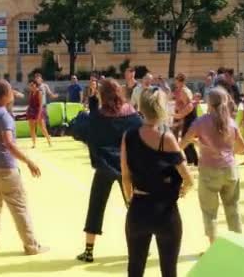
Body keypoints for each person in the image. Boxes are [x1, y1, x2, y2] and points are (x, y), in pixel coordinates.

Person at [0, 80, 48, 256]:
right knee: (19, 208)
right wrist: (28, 161)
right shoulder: (4, 116)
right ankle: (31, 246)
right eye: (11, 91)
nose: (13, 94)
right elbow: (9, 144)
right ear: (5, 95)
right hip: (6, 168)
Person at [121, 87, 193, 277]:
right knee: (169, 271)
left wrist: (131, 199)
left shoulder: (128, 136)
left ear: (141, 108)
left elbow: (126, 177)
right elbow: (188, 177)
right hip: (165, 212)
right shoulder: (166, 139)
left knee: (135, 269)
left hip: (138, 207)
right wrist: (184, 188)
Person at [75, 79, 142, 263]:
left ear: (102, 95)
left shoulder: (98, 116)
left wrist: (93, 93)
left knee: (96, 206)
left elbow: (90, 121)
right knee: (134, 207)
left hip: (105, 166)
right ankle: (138, 248)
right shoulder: (132, 115)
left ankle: (89, 251)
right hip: (127, 167)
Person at [180, 87, 244, 246]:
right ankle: (238, 246)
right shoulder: (230, 122)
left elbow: (183, 143)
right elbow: (243, 147)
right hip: (230, 169)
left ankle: (213, 247)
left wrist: (201, 146)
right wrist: (226, 153)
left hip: (209, 170)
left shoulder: (201, 121)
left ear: (208, 103)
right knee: (233, 209)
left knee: (209, 212)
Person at [172, 73, 198, 166]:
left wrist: (180, 115)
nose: (175, 82)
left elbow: (189, 105)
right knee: (186, 138)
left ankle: (193, 161)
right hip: (188, 115)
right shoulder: (182, 90)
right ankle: (193, 161)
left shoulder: (184, 90)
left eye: (176, 80)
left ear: (179, 81)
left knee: (186, 138)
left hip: (190, 115)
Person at [26, 79, 52, 148]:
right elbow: (30, 103)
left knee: (42, 128)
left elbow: (41, 105)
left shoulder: (39, 92)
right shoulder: (31, 92)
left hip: (38, 110)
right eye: (30, 85)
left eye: (32, 85)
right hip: (31, 111)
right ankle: (34, 143)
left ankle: (49, 140)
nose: (31, 86)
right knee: (32, 128)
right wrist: (28, 111)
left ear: (35, 85)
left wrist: (38, 115)